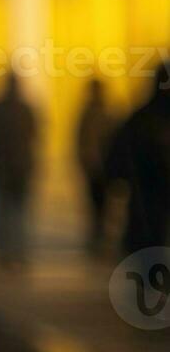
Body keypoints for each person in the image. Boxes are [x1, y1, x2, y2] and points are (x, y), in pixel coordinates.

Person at [105, 64, 170, 260]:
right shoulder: (145, 118)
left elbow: (117, 156)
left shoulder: (140, 117)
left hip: (146, 197)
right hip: (149, 196)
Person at [0, 72, 37, 265]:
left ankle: (5, 251)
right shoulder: (24, 109)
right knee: (17, 213)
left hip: (3, 169)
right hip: (16, 169)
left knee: (3, 213)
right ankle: (15, 251)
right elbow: (34, 138)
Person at [76, 79, 114, 252]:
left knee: (101, 205)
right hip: (96, 167)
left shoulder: (102, 112)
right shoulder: (99, 112)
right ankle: (98, 239)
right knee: (98, 205)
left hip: (101, 167)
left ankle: (99, 239)